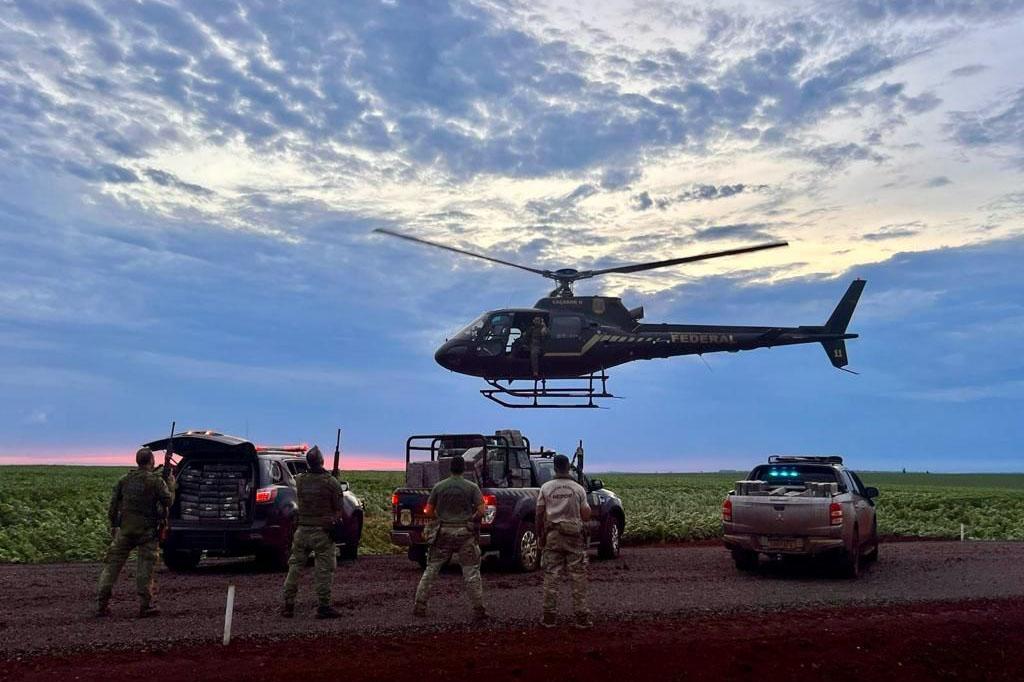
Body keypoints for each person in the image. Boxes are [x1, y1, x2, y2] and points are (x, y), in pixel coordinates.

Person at [96, 447, 174, 617]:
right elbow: (168, 502)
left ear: (137, 461)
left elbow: (113, 506)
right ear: (152, 461)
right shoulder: (155, 481)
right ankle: (145, 606)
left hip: (125, 531)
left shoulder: (124, 480)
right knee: (145, 569)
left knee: (111, 567)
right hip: (147, 533)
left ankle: (101, 604)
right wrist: (171, 485)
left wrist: (114, 525)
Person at [413, 454, 487, 621]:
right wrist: (471, 519)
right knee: (471, 572)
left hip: (443, 533)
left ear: (450, 468)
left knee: (431, 569)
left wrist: (440, 518)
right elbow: (482, 510)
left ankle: (420, 604)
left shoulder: (439, 487)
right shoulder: (472, 487)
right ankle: (478, 608)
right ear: (464, 469)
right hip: (465, 534)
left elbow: (429, 510)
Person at [281, 445, 344, 619]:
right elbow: (338, 509)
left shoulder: (300, 480)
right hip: (322, 533)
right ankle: (323, 606)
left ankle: (288, 604)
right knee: (324, 570)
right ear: (322, 461)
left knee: (294, 568)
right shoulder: (331, 482)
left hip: (302, 530)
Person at [536, 454, 592, 629]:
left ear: (554, 467)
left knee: (551, 576)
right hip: (574, 536)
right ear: (568, 467)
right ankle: (581, 617)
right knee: (578, 576)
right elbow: (586, 515)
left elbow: (539, 513)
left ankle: (549, 617)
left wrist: (540, 535)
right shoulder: (578, 489)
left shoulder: (546, 488)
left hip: (553, 535)